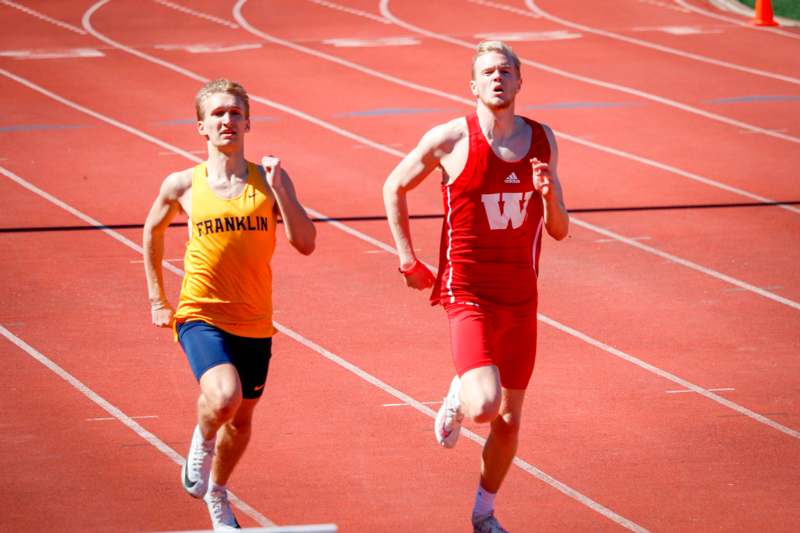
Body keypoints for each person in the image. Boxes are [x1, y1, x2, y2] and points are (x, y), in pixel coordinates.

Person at [382, 41, 569, 533]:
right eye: (487, 72)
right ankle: (459, 396)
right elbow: (394, 186)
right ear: (473, 85)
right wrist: (407, 258)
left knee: (509, 422)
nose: (497, 78)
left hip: (521, 296)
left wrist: (549, 197)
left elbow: (560, 229)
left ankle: (484, 513)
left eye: (506, 70)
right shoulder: (450, 140)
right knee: (484, 405)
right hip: (466, 289)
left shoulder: (544, 140)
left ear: (520, 81)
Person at [143, 79, 316, 531]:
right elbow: (152, 232)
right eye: (218, 114)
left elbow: (306, 243)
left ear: (248, 123)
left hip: (255, 321)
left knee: (240, 421)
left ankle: (218, 494)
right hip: (202, 314)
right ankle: (199, 446)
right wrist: (159, 299)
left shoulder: (268, 179)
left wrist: (282, 191)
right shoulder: (182, 184)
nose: (227, 121)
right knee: (223, 396)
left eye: (235, 113)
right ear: (201, 126)